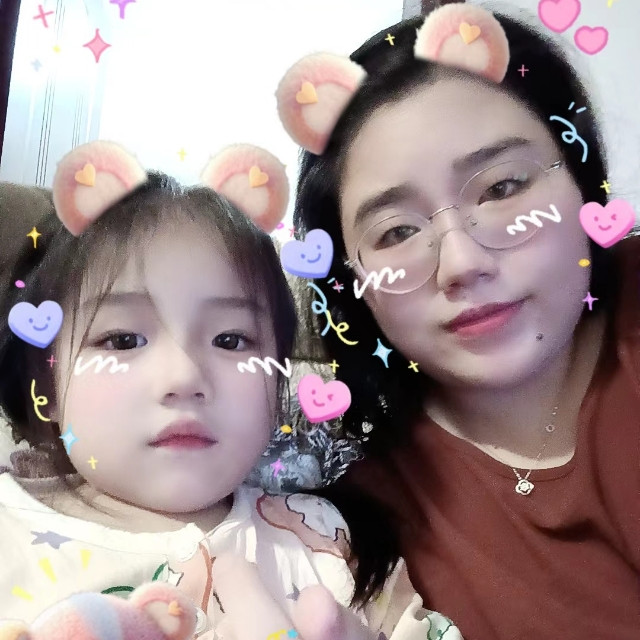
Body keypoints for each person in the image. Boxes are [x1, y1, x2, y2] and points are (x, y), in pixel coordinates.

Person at [272, 2, 640, 640]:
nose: (462, 263)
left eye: (501, 189)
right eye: (396, 232)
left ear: (582, 181)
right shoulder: (357, 535)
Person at [0, 140, 463, 640]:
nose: (183, 378)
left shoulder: (327, 543)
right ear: (45, 382)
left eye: (231, 340)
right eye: (123, 340)